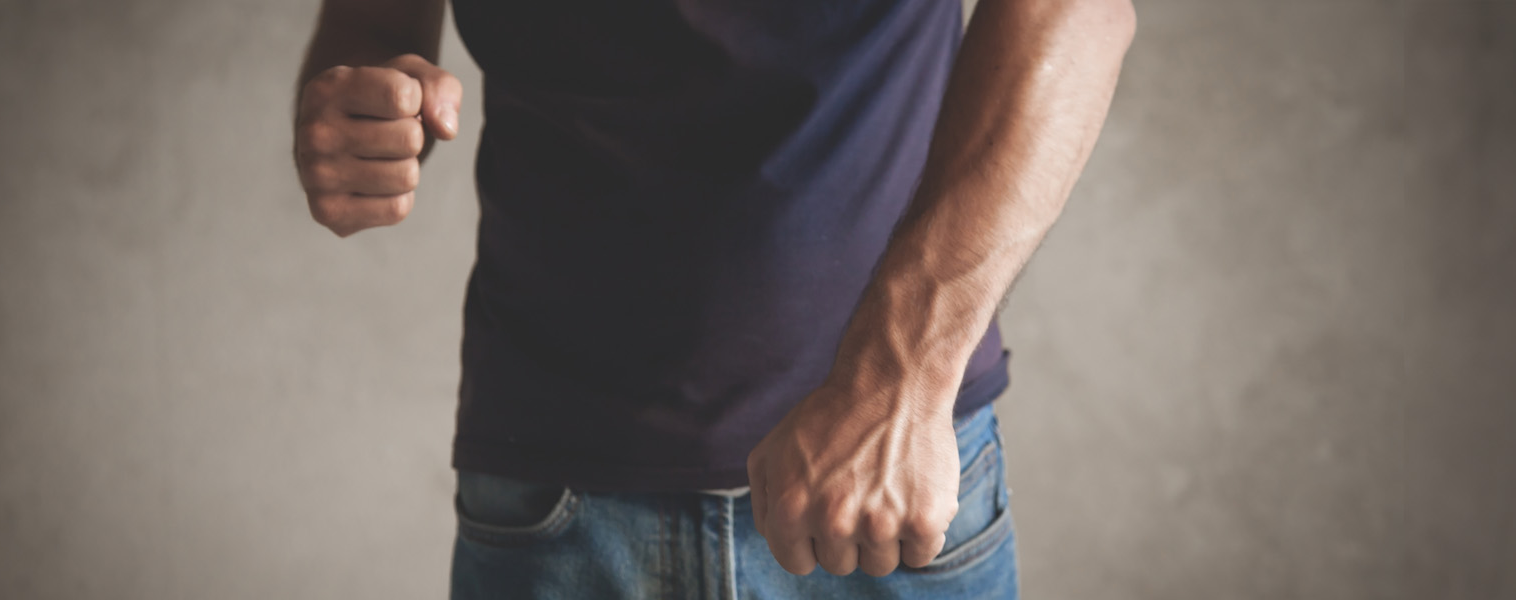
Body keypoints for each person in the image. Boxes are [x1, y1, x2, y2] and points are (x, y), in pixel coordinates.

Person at [292, 0, 1132, 597]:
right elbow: (371, 29)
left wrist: (900, 381)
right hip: (551, 496)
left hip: (887, 484)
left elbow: (1074, 10)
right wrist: (356, 119)